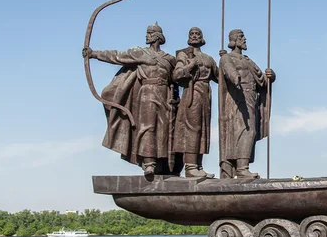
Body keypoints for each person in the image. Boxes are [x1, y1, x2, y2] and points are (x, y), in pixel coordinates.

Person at [82, 23, 176, 177]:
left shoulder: (169, 59)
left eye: (150, 32)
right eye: (147, 32)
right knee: (148, 127)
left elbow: (175, 79)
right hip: (147, 93)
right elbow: (117, 56)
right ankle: (149, 163)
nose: (147, 35)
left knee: (162, 130)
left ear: (158, 36)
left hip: (165, 95)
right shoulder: (140, 53)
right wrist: (93, 54)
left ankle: (161, 163)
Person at [218, 29, 275, 178]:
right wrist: (234, 77)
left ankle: (242, 166)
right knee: (243, 130)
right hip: (237, 98)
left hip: (250, 98)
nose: (245, 40)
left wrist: (270, 76)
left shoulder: (248, 60)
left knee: (250, 131)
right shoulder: (227, 58)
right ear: (234, 40)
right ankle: (241, 168)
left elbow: (261, 79)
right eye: (241, 37)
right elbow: (229, 71)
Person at [172, 27, 218, 178]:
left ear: (202, 38)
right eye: (191, 34)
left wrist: (224, 60)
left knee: (203, 129)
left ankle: (198, 165)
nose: (194, 36)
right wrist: (191, 65)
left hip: (205, 94)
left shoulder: (209, 59)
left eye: (197, 34)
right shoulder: (184, 55)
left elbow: (220, 78)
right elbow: (177, 74)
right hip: (192, 91)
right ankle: (190, 166)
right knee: (193, 128)